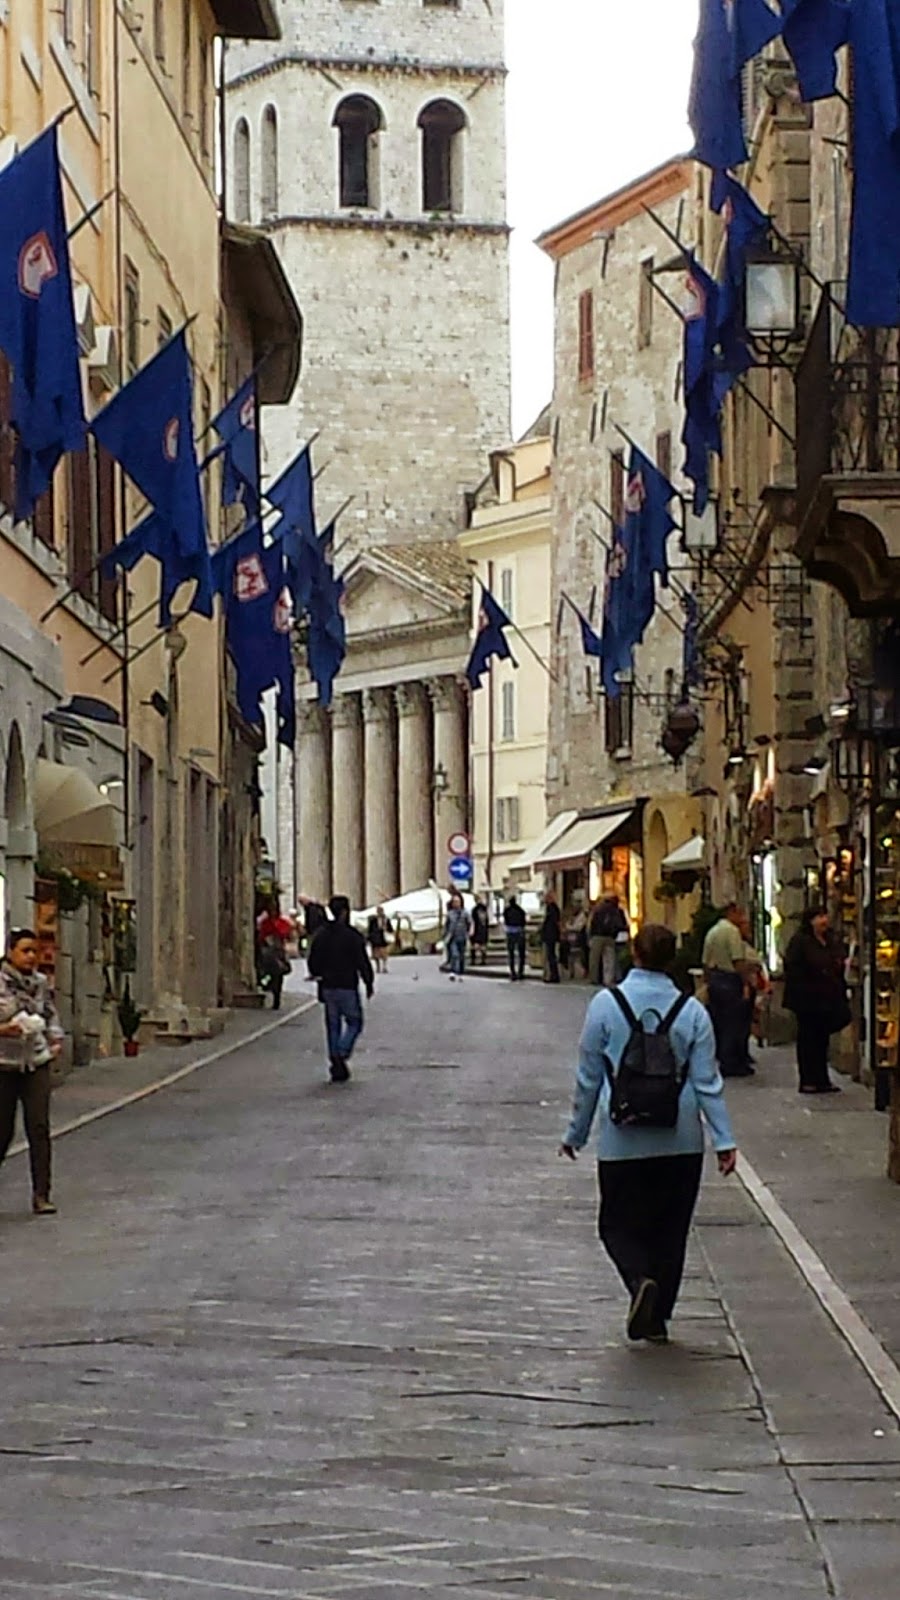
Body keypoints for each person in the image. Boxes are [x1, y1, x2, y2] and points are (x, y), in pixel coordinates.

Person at [559, 923, 737, 1344]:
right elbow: (707, 1081)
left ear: (634, 955)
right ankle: (657, 1317)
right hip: (681, 1139)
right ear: (672, 959)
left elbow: (588, 1077)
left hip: (622, 1138)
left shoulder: (605, 1005)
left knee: (616, 1225)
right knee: (671, 1231)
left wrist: (576, 1133)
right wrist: (724, 1140)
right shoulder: (692, 1011)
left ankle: (639, 1279)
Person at [0, 928, 65, 1215]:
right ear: (10, 952)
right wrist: (4, 1029)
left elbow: (50, 1013)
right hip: (4, 1064)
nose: (30, 956)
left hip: (36, 1061)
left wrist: (55, 1039)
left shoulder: (40, 983)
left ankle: (42, 1194)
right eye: (25, 950)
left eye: (34, 951)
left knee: (39, 1128)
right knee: (2, 1131)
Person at [307, 896, 374, 1083]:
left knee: (333, 1025)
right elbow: (362, 960)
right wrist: (368, 981)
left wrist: (317, 974)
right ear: (345, 912)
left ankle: (335, 1056)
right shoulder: (352, 936)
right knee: (355, 1022)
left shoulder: (321, 935)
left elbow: (313, 960)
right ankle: (342, 1051)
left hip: (327, 985)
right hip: (347, 984)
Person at [783, 907, 848, 1095]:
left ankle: (822, 1078)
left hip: (826, 997)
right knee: (808, 1039)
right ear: (810, 921)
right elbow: (793, 968)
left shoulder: (829, 939)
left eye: (825, 916)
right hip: (807, 999)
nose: (824, 920)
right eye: (819, 917)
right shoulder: (800, 941)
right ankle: (808, 1079)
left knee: (822, 1039)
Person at [702, 902, 754, 1078]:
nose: (743, 918)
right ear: (732, 913)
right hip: (730, 980)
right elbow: (738, 960)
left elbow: (705, 962)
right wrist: (745, 983)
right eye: (741, 914)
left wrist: (708, 983)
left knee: (720, 1022)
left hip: (715, 979)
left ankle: (723, 1057)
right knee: (734, 1023)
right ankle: (731, 1062)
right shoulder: (732, 932)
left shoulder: (712, 931)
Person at [256, 900, 293, 1010]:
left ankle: (277, 996)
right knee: (268, 973)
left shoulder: (282, 922)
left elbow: (288, 934)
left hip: (278, 952)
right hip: (268, 952)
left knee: (278, 974)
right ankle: (269, 987)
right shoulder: (266, 922)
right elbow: (261, 936)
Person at [588, 894, 629, 987]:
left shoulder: (598, 910)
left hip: (597, 936)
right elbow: (620, 924)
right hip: (610, 936)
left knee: (594, 959)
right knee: (609, 959)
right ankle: (608, 979)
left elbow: (592, 923)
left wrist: (590, 936)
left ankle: (594, 978)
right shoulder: (616, 910)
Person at [444, 893, 470, 981]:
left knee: (462, 955)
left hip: (462, 936)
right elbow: (447, 925)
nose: (456, 903)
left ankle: (461, 972)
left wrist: (470, 931)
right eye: (454, 902)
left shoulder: (465, 913)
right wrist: (445, 936)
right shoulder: (450, 914)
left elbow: (470, 923)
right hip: (453, 937)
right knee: (454, 954)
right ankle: (453, 971)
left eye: (457, 901)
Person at [504, 894, 527, 982]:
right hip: (519, 931)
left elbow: (506, 921)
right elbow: (523, 921)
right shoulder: (520, 910)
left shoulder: (507, 910)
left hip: (510, 931)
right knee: (521, 953)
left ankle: (513, 972)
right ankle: (520, 972)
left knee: (511, 953)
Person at [541, 890, 562, 984]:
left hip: (550, 935)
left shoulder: (552, 908)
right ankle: (553, 975)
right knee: (551, 955)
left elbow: (555, 922)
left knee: (551, 956)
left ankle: (553, 975)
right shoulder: (553, 908)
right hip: (551, 935)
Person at [367, 905, 393, 975]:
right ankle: (378, 967)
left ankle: (384, 967)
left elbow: (391, 929)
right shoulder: (373, 920)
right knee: (376, 955)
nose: (379, 912)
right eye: (378, 911)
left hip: (383, 939)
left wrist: (386, 928)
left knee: (384, 954)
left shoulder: (386, 919)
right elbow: (370, 930)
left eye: (380, 911)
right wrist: (370, 938)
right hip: (375, 939)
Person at [470, 895, 490, 966]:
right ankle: (483, 960)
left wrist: (471, 931)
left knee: (474, 946)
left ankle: (473, 960)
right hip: (483, 930)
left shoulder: (474, 909)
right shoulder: (484, 909)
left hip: (477, 930)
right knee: (483, 946)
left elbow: (472, 921)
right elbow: (487, 920)